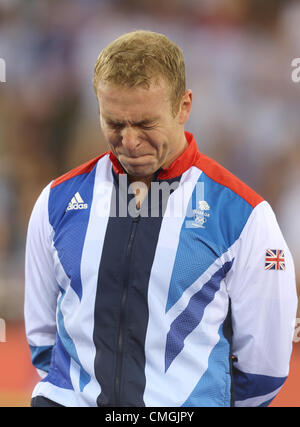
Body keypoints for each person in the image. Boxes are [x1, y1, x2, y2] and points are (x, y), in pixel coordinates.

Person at [25, 30, 297, 407]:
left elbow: (264, 368)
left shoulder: (244, 216)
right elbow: (42, 340)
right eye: (115, 124)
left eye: (145, 124)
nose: (130, 142)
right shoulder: (56, 202)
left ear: (183, 106)